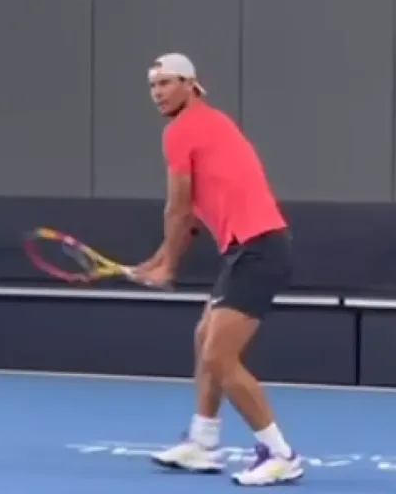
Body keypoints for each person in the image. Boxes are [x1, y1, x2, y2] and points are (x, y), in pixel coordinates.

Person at [129, 53, 303, 487]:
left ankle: (280, 453)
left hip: (259, 249)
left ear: (190, 84)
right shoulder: (212, 122)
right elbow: (189, 217)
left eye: (165, 83)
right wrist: (159, 259)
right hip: (247, 249)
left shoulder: (181, 130)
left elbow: (178, 206)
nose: (157, 93)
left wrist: (168, 267)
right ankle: (203, 442)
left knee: (219, 357)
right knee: (204, 336)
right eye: (152, 86)